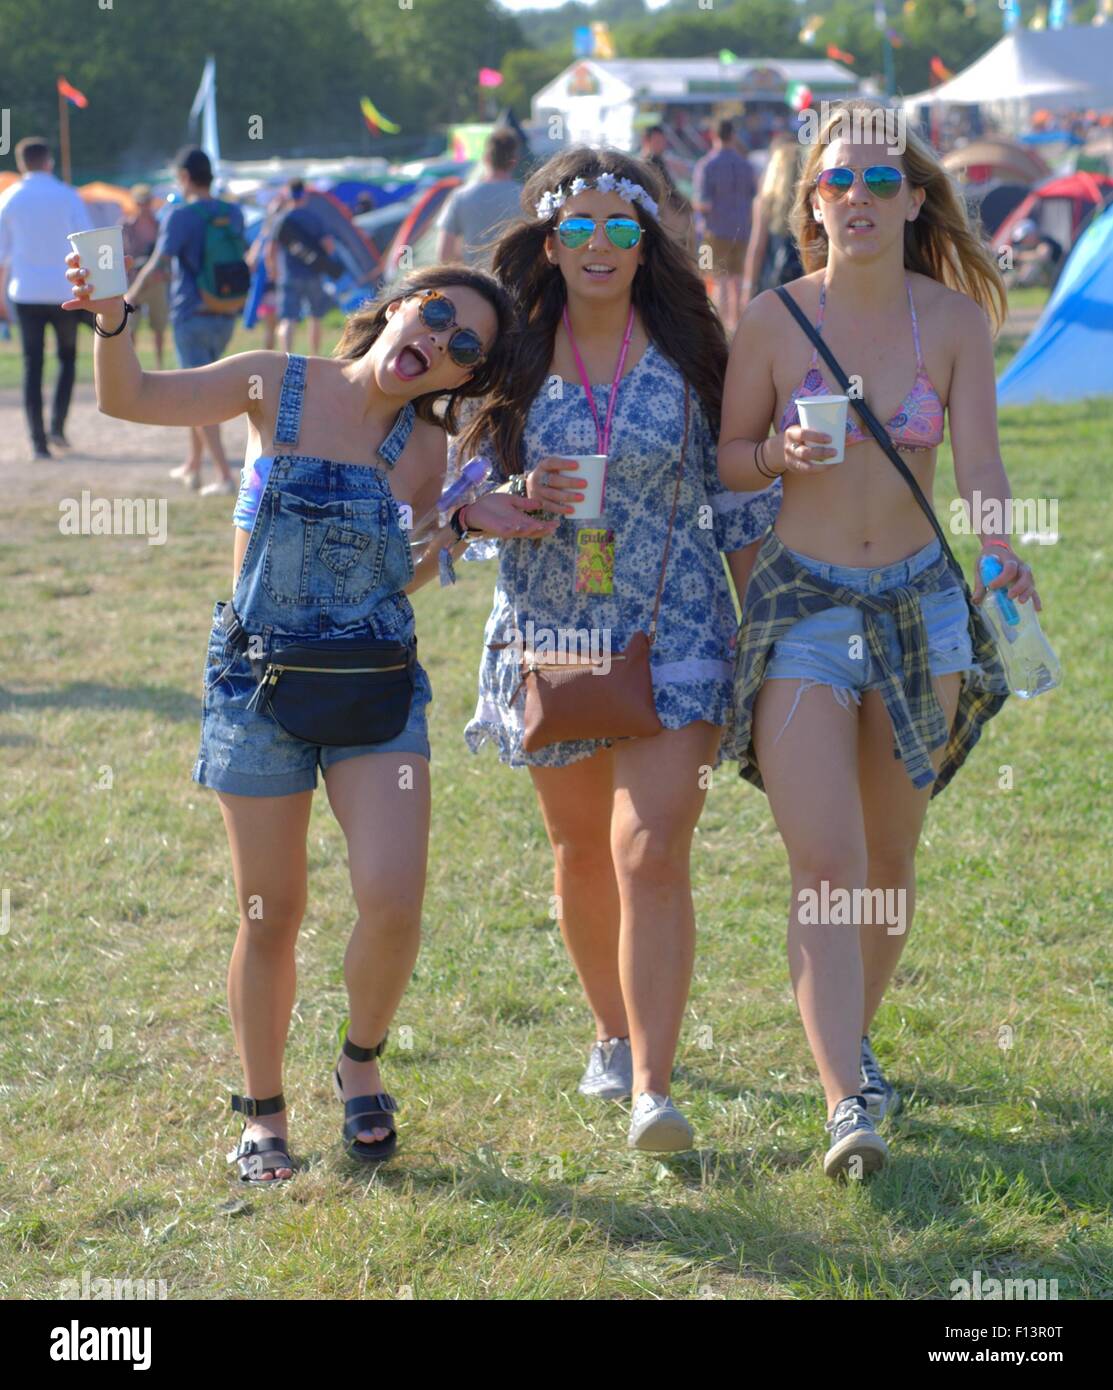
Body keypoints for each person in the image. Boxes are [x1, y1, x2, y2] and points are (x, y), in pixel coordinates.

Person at [63, 251, 549, 1182]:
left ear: (463, 377)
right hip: (255, 684)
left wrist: (460, 531)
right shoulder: (272, 380)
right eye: (436, 315)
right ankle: (264, 1112)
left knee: (394, 898)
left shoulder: (427, 449)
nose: (439, 341)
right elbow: (132, 399)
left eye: (464, 349)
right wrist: (115, 321)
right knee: (270, 909)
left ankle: (359, 1058)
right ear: (402, 305)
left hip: (373, 683)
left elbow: (394, 573)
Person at [718, 100, 1039, 1179]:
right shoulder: (770, 319)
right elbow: (728, 461)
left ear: (911, 199)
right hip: (806, 607)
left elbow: (982, 467)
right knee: (829, 860)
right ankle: (847, 1100)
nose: (857, 197)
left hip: (923, 611)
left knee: (890, 866)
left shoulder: (951, 324)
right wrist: (776, 452)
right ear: (812, 202)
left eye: (878, 181)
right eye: (837, 182)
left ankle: (848, 1037)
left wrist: (997, 553)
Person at [450, 148, 781, 1153]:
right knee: (581, 850)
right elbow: (451, 484)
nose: (600, 246)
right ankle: (608, 1030)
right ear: (549, 244)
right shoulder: (504, 352)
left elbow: (734, 495)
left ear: (648, 244)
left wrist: (766, 626)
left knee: (649, 848)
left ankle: (652, 1087)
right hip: (551, 632)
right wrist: (495, 506)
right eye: (579, 229)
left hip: (672, 623)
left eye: (621, 229)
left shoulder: (692, 349)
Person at [126, 146, 244, 496]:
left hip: (191, 315)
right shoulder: (233, 212)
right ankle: (193, 466)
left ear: (184, 177)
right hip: (225, 313)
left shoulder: (180, 216)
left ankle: (224, 476)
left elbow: (160, 264)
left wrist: (131, 297)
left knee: (197, 397)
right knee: (201, 390)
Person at [0, 136, 93, 459]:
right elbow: (87, 246)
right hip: (64, 293)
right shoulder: (68, 196)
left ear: (21, 164)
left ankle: (38, 442)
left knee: (32, 365)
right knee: (66, 360)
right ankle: (57, 427)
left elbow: (1, 257)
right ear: (49, 161)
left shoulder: (9, 198)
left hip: (25, 294)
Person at [692, 118, 757, 335]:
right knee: (737, 281)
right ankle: (737, 325)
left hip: (714, 230)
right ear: (733, 136)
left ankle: (719, 328)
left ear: (714, 135)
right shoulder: (747, 166)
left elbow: (704, 203)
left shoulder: (706, 165)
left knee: (716, 281)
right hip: (742, 229)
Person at [435, 129, 522, 269]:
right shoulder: (527, 197)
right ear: (514, 161)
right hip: (515, 286)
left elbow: (444, 255)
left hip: (475, 284)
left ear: (486, 158)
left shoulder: (460, 196)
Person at [273, 178, 337, 357]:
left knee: (287, 319)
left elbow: (271, 249)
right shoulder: (314, 218)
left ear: (288, 195)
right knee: (315, 316)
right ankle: (314, 356)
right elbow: (328, 246)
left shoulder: (282, 219)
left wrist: (273, 270)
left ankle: (285, 358)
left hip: (288, 274)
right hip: (313, 274)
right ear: (305, 195)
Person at [740, 135, 805, 310]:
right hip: (805, 282)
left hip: (773, 284)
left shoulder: (765, 201)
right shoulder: (810, 202)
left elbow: (757, 248)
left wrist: (747, 288)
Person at [122, 184, 170, 369]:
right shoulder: (126, 225)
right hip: (134, 283)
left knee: (159, 326)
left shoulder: (160, 225)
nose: (144, 206)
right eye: (141, 202)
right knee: (131, 326)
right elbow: (124, 253)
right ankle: (133, 367)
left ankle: (160, 366)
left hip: (156, 281)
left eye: (147, 202)